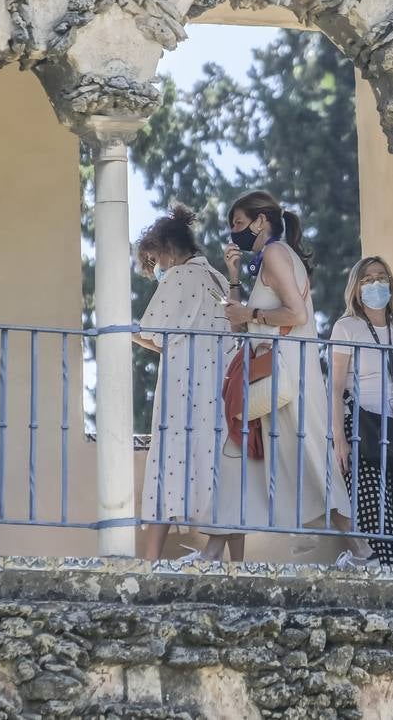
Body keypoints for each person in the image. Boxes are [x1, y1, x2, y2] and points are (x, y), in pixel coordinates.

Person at [194, 190, 369, 567]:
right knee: (237, 456)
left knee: (311, 459)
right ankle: (211, 551)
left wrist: (251, 314)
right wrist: (235, 277)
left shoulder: (274, 253)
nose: (234, 232)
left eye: (239, 223)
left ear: (261, 221)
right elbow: (242, 318)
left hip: (285, 375)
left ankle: (363, 550)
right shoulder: (272, 256)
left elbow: (294, 314)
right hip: (274, 373)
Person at [132, 204, 231, 562]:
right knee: (219, 470)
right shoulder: (218, 279)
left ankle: (150, 560)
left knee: (167, 465)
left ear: (168, 251)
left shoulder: (178, 278)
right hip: (217, 388)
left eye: (154, 258)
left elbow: (155, 334)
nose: (155, 267)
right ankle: (226, 558)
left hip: (183, 387)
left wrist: (129, 334)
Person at [330, 256, 393, 566]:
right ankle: (377, 572)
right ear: (356, 287)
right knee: (372, 511)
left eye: (381, 277)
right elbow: (335, 387)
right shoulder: (347, 327)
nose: (375, 284)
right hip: (361, 428)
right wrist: (338, 437)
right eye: (367, 279)